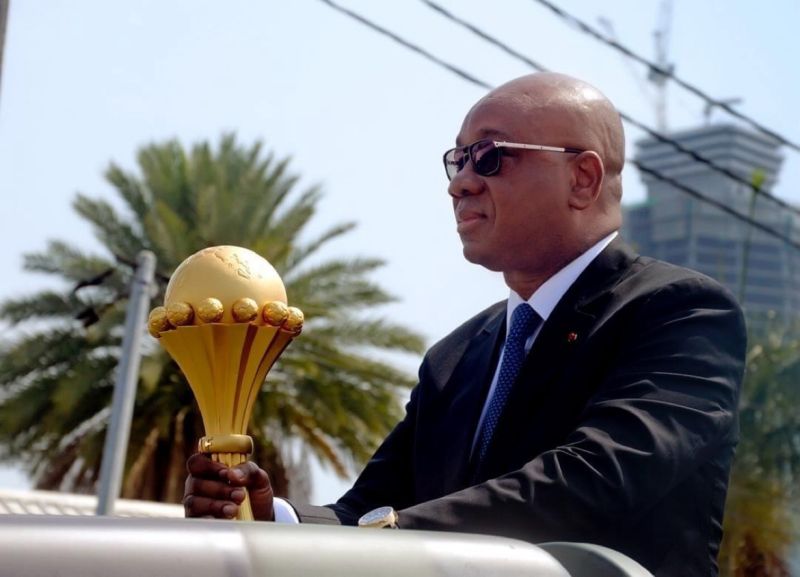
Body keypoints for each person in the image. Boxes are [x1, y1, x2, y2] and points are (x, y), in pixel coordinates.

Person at [184, 72, 747, 577]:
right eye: (457, 160)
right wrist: (273, 517)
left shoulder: (680, 311)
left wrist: (386, 540)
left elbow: (593, 479)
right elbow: (371, 505)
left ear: (583, 178)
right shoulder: (457, 356)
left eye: (491, 156)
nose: (461, 183)